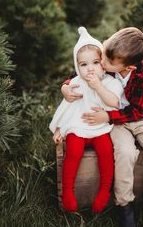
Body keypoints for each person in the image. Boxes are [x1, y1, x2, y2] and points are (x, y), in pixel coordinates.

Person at [62, 27, 143, 227]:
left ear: (129, 66)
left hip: (140, 118)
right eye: (103, 55)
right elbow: (78, 73)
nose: (102, 64)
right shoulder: (109, 57)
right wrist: (65, 87)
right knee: (124, 153)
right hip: (116, 122)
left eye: (109, 63)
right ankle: (124, 205)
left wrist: (107, 117)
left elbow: (138, 111)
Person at [49, 27, 125, 213]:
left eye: (95, 62)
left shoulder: (110, 82)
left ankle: (104, 191)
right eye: (83, 65)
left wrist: (97, 86)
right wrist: (59, 129)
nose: (89, 68)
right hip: (78, 127)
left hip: (100, 128)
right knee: (73, 153)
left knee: (106, 153)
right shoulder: (75, 83)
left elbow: (114, 102)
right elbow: (66, 108)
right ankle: (67, 192)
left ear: (103, 63)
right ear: (77, 68)